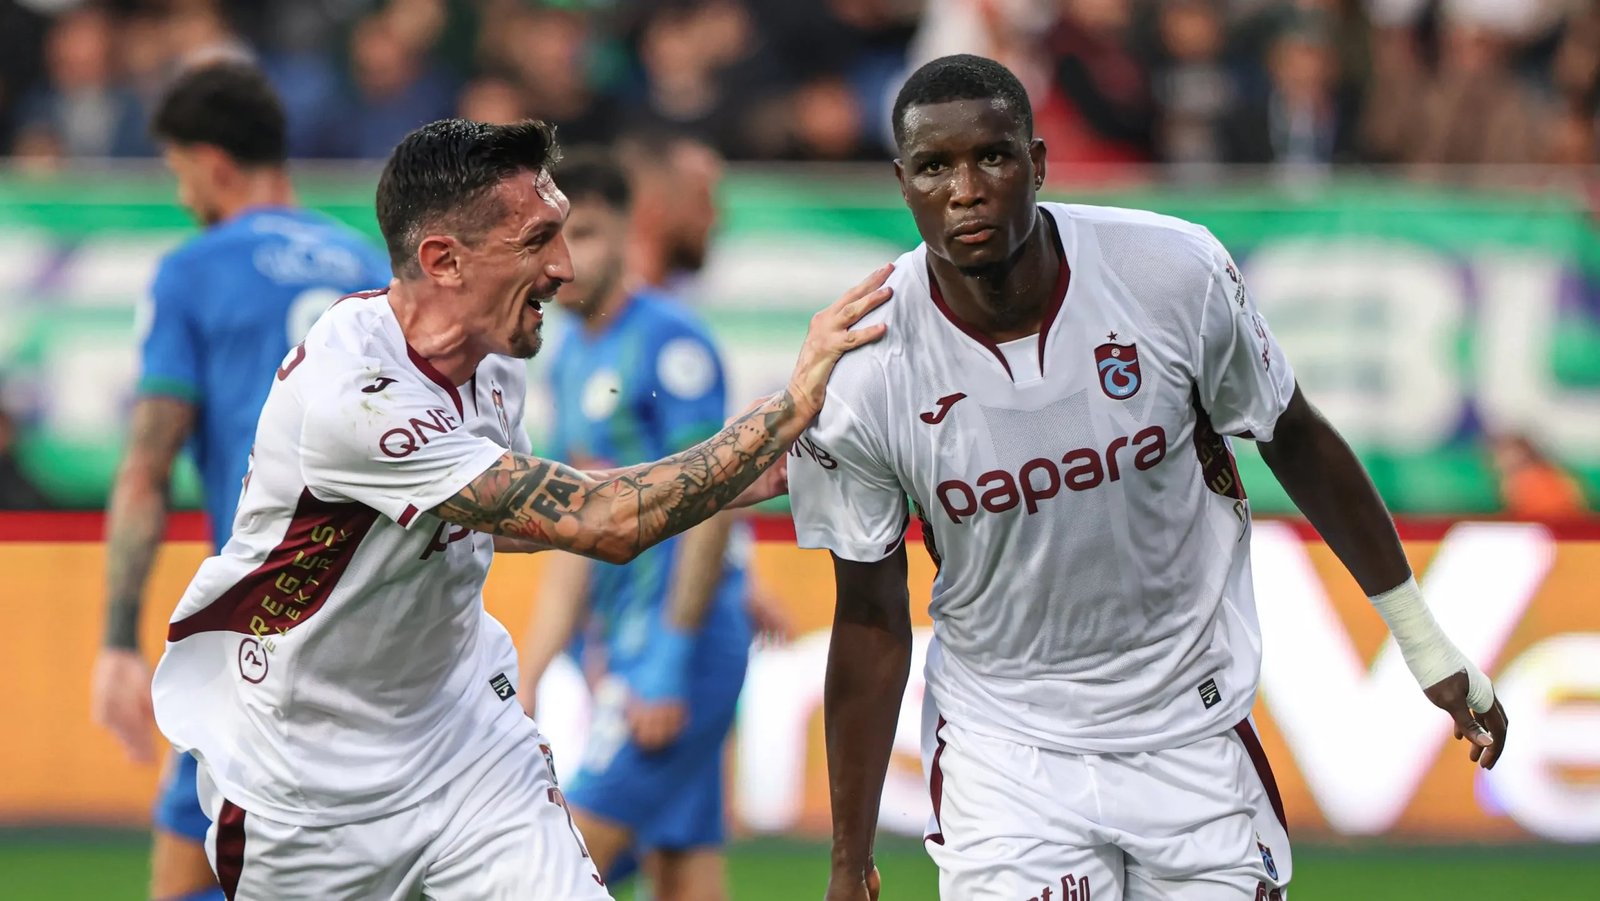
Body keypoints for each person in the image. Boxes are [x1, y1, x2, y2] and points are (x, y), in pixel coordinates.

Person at [788, 55, 1509, 901]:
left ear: (1040, 161)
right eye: (936, 167)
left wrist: (1424, 643)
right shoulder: (863, 366)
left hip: (1191, 732)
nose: (967, 189)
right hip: (1007, 752)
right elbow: (870, 615)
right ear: (903, 183)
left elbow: (1295, 436)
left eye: (993, 156)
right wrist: (847, 858)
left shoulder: (1171, 272)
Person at [147, 116, 891, 899]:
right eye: (537, 241)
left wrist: (769, 469)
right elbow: (598, 520)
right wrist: (782, 413)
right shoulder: (358, 396)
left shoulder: (492, 365)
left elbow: (525, 517)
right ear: (443, 259)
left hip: (465, 746)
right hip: (307, 784)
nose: (564, 268)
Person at [88, 61, 391, 901]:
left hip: (256, 630)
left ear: (214, 165)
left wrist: (118, 638)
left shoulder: (193, 270)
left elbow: (147, 467)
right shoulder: (370, 264)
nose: (184, 195)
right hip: (371, 627)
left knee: (192, 875)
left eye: (182, 174)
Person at [519, 148, 747, 900]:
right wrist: (534, 672)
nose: (567, 258)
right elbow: (577, 532)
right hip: (627, 647)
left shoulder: (670, 343)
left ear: (626, 232)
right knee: (685, 877)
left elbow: (709, 503)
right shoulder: (570, 356)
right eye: (550, 239)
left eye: (584, 234)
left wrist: (668, 659)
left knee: (557, 869)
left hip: (678, 648)